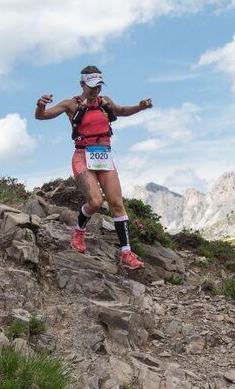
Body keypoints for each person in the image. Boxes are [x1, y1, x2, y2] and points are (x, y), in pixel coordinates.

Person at [35, 65, 153, 270]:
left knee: (117, 203)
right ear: (82, 84)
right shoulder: (71, 104)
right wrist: (40, 105)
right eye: (91, 86)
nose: (95, 90)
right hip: (82, 156)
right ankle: (79, 231)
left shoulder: (105, 102)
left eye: (98, 85)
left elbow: (123, 111)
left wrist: (140, 107)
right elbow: (41, 116)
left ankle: (126, 253)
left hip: (104, 156)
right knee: (96, 202)